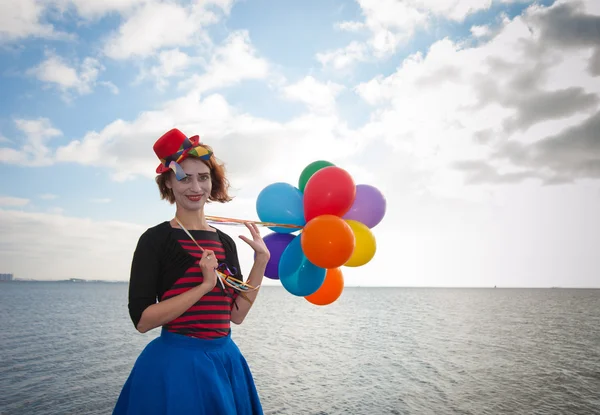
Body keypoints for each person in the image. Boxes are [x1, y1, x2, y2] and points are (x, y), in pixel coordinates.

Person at [113, 128, 270, 415]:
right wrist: (202, 286)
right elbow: (143, 321)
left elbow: (236, 315)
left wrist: (261, 262)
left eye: (203, 177)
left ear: (212, 182)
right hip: (175, 367)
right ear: (169, 183)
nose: (195, 187)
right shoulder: (155, 240)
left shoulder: (224, 242)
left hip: (225, 363)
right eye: (184, 177)